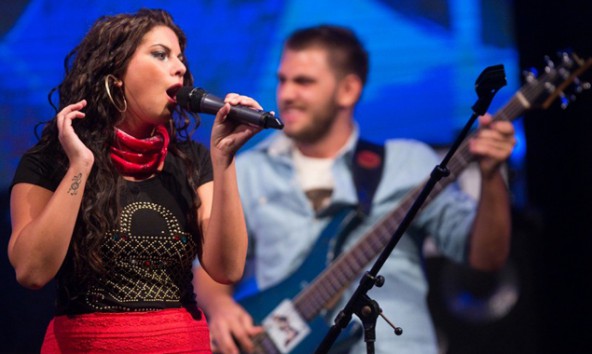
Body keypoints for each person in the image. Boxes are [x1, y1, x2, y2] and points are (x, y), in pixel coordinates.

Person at [194, 24, 516, 354]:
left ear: (348, 89)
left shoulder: (409, 163)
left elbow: (486, 258)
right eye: (282, 80)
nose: (286, 94)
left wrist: (491, 177)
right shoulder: (248, 170)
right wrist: (219, 309)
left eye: (303, 81)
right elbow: (207, 269)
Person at [8, 9, 264, 353]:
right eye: (161, 54)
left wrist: (224, 158)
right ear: (116, 76)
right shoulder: (52, 162)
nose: (180, 68)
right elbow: (32, 271)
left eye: (181, 58)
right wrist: (80, 167)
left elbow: (228, 268)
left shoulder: (191, 162)